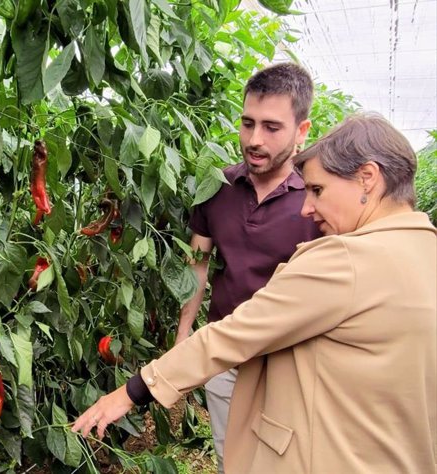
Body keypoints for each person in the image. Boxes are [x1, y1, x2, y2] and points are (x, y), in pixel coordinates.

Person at [73, 114, 437, 473]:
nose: (307, 208)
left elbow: (236, 333)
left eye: (318, 190)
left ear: (367, 178)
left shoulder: (347, 258)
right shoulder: (425, 251)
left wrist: (131, 391)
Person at [176, 63, 321, 473]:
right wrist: (185, 334)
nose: (254, 140)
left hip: (289, 364)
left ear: (302, 131)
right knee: (231, 458)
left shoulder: (316, 199)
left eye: (272, 127)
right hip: (225, 357)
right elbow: (198, 265)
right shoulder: (217, 187)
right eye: (247, 123)